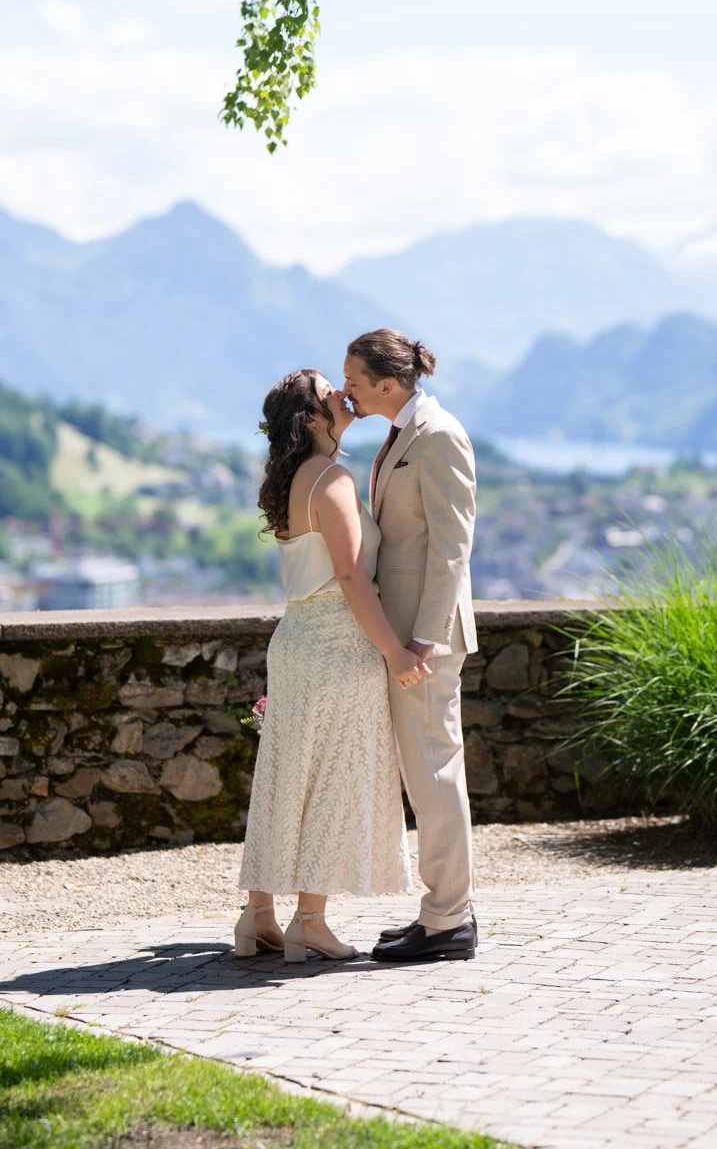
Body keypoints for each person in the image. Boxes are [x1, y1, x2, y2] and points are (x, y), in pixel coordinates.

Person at [235, 369, 428, 963]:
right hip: (338, 648)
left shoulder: (296, 478)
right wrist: (395, 650)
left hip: (296, 640)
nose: (341, 395)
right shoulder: (333, 478)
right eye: (328, 390)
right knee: (331, 781)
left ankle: (257, 916)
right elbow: (349, 578)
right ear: (313, 416)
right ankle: (310, 922)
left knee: (285, 779)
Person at [342, 329, 479, 964]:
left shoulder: (439, 435)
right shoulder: (402, 433)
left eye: (355, 380)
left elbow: (452, 549)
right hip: (404, 633)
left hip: (425, 639)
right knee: (425, 775)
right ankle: (440, 913)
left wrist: (421, 638)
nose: (347, 390)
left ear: (389, 384)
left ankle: (449, 920)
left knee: (434, 772)